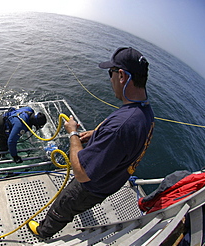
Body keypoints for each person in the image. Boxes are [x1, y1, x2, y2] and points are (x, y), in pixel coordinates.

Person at [27, 47, 155, 238]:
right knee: (78, 203)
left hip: (91, 186)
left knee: (64, 205)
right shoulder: (145, 113)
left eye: (110, 73)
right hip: (110, 182)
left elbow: (81, 173)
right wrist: (97, 134)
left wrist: (73, 133)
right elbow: (124, 137)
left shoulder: (122, 125)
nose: (109, 80)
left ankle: (43, 231)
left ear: (121, 76)